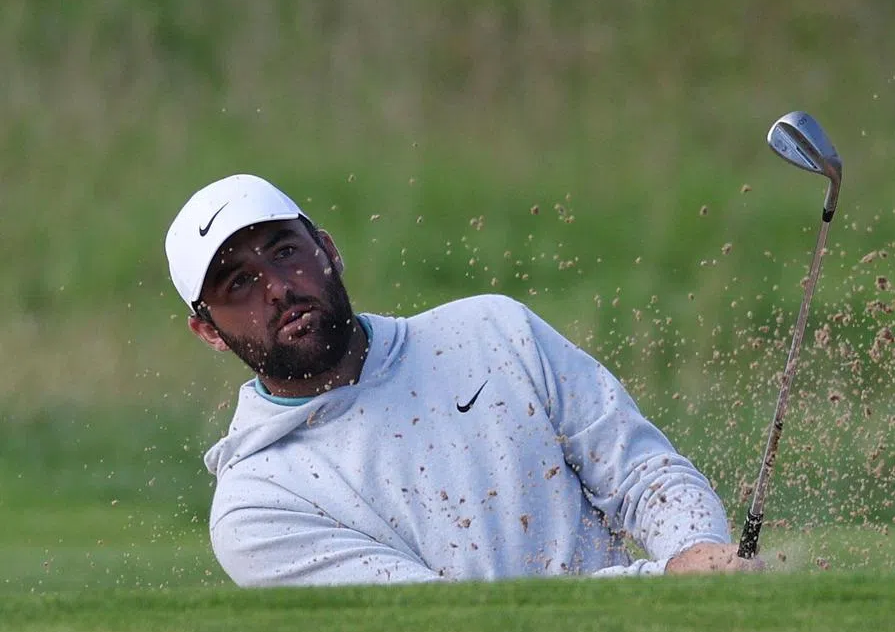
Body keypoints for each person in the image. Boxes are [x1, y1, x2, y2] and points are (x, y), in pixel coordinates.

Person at [165, 174, 763, 586]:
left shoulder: (490, 330)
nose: (279, 287)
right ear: (208, 331)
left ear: (328, 248)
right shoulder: (258, 505)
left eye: (285, 251)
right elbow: (451, 625)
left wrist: (695, 559)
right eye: (238, 283)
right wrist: (663, 581)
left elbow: (641, 474)